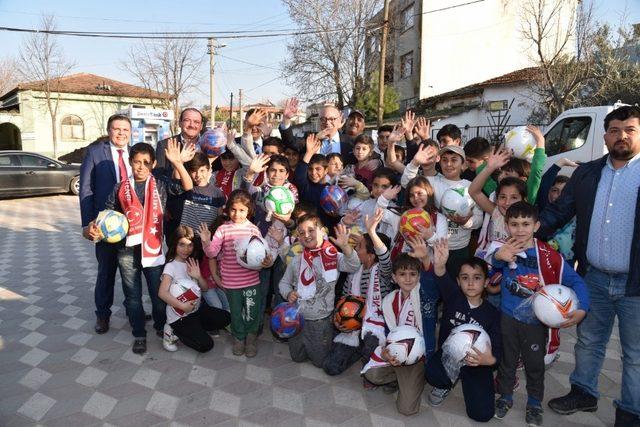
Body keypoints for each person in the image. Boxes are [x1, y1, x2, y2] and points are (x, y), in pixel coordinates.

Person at [538, 105, 640, 426]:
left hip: (636, 283)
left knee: (635, 356)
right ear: (605, 135)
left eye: (630, 129)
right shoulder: (587, 173)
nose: (621, 135)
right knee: (589, 340)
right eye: (614, 130)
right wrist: (527, 234)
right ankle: (583, 392)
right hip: (593, 276)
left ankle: (631, 412)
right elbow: (558, 213)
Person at [488, 202, 589, 426]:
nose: (520, 229)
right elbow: (490, 276)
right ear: (506, 226)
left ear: (536, 226)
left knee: (535, 364)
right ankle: (505, 397)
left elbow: (575, 281)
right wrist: (498, 258)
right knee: (507, 360)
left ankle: (534, 402)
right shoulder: (502, 248)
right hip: (507, 317)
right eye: (514, 224)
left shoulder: (547, 254)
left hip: (535, 322)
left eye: (526, 224)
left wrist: (582, 308)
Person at [100, 141, 193, 354]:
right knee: (132, 294)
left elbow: (187, 186)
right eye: (136, 162)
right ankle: (139, 334)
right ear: (130, 162)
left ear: (153, 164)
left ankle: (161, 326)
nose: (140, 167)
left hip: (153, 249)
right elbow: (108, 213)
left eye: (145, 163)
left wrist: (178, 163)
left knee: (158, 292)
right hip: (127, 249)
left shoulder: (161, 183)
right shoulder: (120, 187)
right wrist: (97, 228)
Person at [425, 239, 501, 422]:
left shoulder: (492, 314)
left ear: (486, 282)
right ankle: (445, 383)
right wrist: (440, 264)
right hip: (449, 356)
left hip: (476, 362)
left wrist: (489, 360)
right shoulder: (453, 297)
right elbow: (442, 278)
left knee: (482, 415)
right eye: (465, 278)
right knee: (431, 374)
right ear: (458, 281)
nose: (471, 283)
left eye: (477, 278)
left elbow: (498, 347)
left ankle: (475, 383)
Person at [199, 189, 274, 358]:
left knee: (251, 311)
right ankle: (239, 338)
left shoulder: (253, 230)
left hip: (251, 281)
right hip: (231, 283)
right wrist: (206, 241)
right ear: (228, 209)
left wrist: (267, 261)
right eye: (233, 209)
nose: (237, 214)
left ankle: (251, 338)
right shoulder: (223, 229)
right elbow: (211, 253)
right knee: (236, 312)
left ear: (249, 211)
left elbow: (262, 254)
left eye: (242, 210)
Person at [278, 216, 360, 368]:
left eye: (311, 230)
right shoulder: (296, 260)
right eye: (301, 233)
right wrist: (288, 293)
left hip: (320, 320)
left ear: (322, 231)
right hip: (296, 318)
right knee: (297, 357)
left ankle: (341, 344)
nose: (306, 235)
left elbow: (353, 265)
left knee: (320, 362)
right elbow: (284, 283)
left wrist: (346, 247)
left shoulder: (333, 256)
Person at [323, 208, 393, 376]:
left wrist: (371, 232)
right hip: (352, 327)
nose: (355, 249)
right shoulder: (354, 268)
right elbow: (344, 299)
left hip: (375, 326)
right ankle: (355, 348)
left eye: (359, 247)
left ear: (371, 255)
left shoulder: (383, 273)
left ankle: (367, 351)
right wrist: (340, 318)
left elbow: (385, 257)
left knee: (370, 345)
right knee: (330, 366)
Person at [79, 114, 133, 335]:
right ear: (109, 130)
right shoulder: (94, 152)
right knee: (106, 272)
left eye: (125, 130)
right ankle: (102, 314)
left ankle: (133, 310)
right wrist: (86, 224)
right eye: (116, 129)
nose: (121, 133)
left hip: (132, 225)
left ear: (131, 133)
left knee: (132, 272)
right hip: (105, 226)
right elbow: (86, 190)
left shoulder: (136, 153)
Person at [361, 252, 429, 416]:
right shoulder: (389, 300)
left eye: (413, 274)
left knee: (407, 409)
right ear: (394, 277)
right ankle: (399, 378)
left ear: (420, 276)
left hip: (418, 358)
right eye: (402, 274)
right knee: (372, 374)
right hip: (397, 354)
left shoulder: (426, 296)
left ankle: (419, 377)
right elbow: (387, 333)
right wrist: (386, 353)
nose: (408, 279)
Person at [158, 226, 231, 353]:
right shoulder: (170, 266)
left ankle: (196, 329)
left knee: (226, 317)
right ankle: (172, 331)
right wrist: (182, 306)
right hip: (180, 317)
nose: (186, 250)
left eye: (190, 245)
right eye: (181, 245)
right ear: (174, 244)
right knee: (206, 345)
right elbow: (162, 293)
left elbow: (205, 288)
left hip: (196, 310)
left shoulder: (191, 262)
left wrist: (198, 276)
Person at [155, 108, 203, 239]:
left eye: (196, 122)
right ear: (180, 123)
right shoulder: (165, 144)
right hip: (174, 212)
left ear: (201, 126)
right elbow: (158, 178)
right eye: (187, 120)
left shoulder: (208, 144)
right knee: (175, 254)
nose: (192, 125)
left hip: (203, 212)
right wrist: (163, 207)